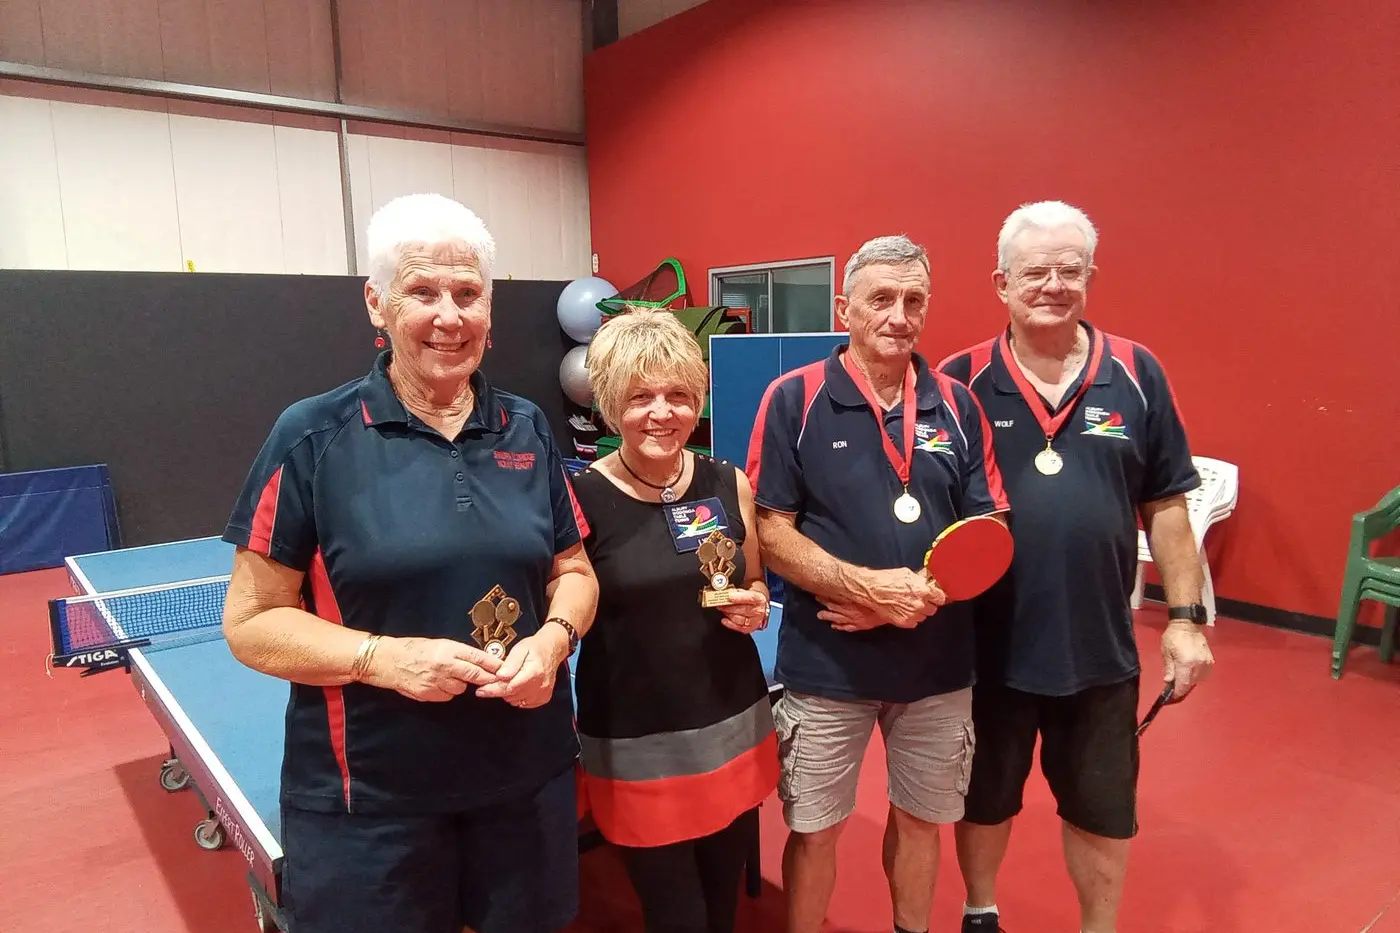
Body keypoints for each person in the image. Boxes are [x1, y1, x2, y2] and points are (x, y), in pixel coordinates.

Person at [219, 192, 599, 933]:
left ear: (490, 309)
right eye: (422, 291)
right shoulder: (311, 437)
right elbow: (251, 620)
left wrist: (554, 640)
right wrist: (380, 659)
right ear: (377, 303)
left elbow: (575, 571)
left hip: (525, 782)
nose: (449, 316)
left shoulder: (526, 425)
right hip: (370, 802)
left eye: (468, 293)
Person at [936, 200, 1216, 933]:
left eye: (1070, 268)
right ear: (1002, 282)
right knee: (984, 796)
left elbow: (1167, 507)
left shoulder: (1136, 371)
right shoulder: (957, 380)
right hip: (985, 649)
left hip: (1099, 648)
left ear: (1092, 276)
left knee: (1102, 809)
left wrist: (1186, 621)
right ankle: (980, 909)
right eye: (1035, 270)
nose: (1053, 283)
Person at [746, 235, 1010, 933]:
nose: (899, 314)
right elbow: (769, 530)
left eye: (914, 299)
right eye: (881, 298)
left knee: (922, 821)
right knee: (816, 828)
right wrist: (867, 589)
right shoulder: (793, 398)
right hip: (827, 658)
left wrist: (914, 602)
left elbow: (989, 529)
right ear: (846, 308)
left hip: (937, 661)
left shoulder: (957, 403)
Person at [569, 307, 779, 933]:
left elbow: (754, 578)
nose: (662, 413)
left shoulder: (727, 480)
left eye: (679, 396)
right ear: (610, 404)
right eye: (640, 397)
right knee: (674, 913)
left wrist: (758, 602)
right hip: (639, 739)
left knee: (722, 904)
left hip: (733, 722)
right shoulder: (579, 499)